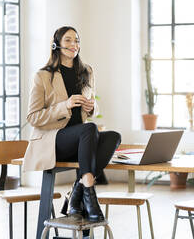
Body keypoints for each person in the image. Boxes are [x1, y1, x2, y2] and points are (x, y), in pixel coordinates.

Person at [23, 26, 121, 224]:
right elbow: (33, 117)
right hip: (54, 141)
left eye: (76, 40)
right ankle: (89, 196)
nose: (74, 45)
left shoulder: (86, 72)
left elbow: (91, 105)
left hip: (80, 139)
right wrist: (64, 106)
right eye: (68, 40)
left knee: (113, 137)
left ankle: (77, 192)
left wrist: (92, 107)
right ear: (56, 44)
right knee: (90, 129)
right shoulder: (42, 76)